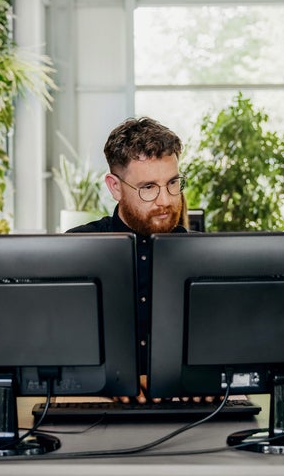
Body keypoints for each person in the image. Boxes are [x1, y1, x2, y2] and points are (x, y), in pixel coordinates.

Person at [68, 116, 187, 402]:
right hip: (96, 407)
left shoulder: (196, 252)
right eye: (148, 187)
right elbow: (59, 346)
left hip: (183, 406)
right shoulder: (77, 249)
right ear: (115, 187)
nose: (165, 200)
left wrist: (205, 381)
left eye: (173, 183)